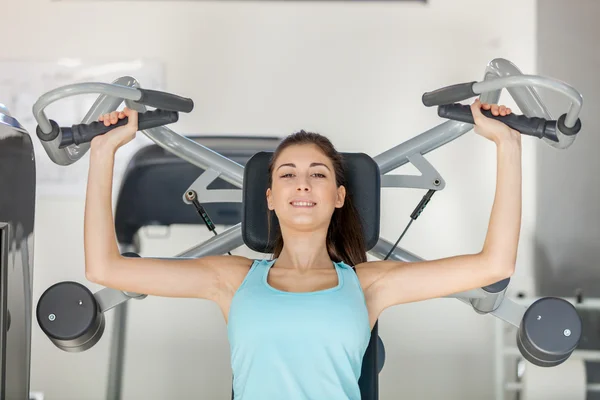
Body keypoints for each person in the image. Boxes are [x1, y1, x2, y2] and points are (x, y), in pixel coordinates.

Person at [84, 99, 521, 400]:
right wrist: (103, 152)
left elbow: (494, 263)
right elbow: (105, 267)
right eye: (288, 174)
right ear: (271, 196)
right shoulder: (230, 279)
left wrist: (508, 145)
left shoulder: (369, 285)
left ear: (338, 195)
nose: (303, 183)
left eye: (318, 174)